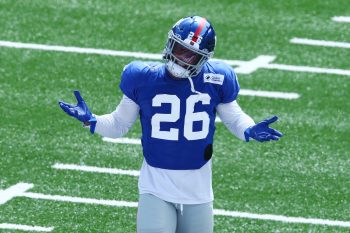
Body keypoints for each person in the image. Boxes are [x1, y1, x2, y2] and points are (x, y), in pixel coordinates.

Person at [59, 16, 283, 233]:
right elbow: (118, 124)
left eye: (191, 56)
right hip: (156, 187)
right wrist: (91, 120)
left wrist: (249, 129)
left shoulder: (217, 78)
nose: (181, 59)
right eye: (179, 49)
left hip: (198, 190)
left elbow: (234, 118)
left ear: (204, 58)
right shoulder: (142, 78)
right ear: (170, 43)